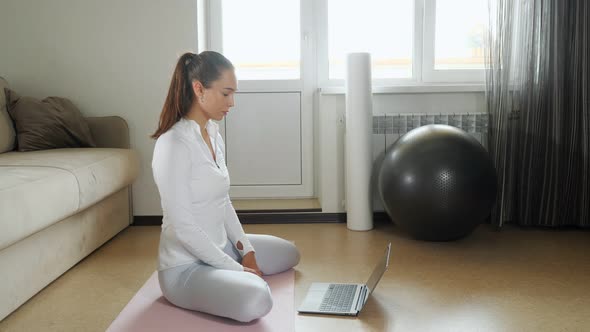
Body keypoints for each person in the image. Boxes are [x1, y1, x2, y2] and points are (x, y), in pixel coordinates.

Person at [151, 51, 300, 323]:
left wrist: (246, 250)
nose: (232, 103)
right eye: (226, 93)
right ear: (199, 89)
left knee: (289, 253)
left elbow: (223, 201)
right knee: (257, 298)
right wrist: (237, 270)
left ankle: (237, 264)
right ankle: (229, 278)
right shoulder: (172, 144)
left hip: (222, 248)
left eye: (234, 94)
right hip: (185, 267)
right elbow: (183, 228)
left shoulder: (213, 134)